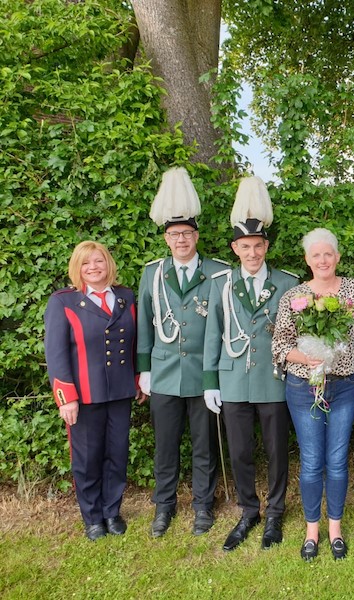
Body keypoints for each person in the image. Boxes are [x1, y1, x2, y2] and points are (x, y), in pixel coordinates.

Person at [202, 176, 298, 552]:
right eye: (245, 247)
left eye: (258, 246)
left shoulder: (288, 283)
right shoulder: (221, 283)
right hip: (234, 380)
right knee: (240, 450)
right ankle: (248, 510)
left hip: (273, 379)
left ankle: (275, 512)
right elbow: (213, 333)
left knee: (276, 449)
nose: (252, 253)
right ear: (235, 247)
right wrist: (211, 381)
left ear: (266, 246)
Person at [137, 167, 229, 538]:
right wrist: (144, 370)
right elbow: (145, 322)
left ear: (196, 236)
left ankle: (204, 506)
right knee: (165, 447)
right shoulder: (152, 273)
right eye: (174, 235)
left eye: (187, 234)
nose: (181, 240)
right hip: (163, 375)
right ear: (166, 238)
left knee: (205, 447)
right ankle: (164, 506)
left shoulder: (219, 273)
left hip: (202, 377)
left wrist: (216, 377)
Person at [272, 228, 354, 561]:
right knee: (312, 461)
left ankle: (335, 529)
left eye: (328, 253)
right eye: (316, 255)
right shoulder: (294, 297)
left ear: (338, 257)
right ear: (307, 260)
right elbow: (281, 345)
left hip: (344, 385)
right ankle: (312, 531)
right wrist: (307, 357)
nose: (323, 260)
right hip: (303, 386)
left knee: (337, 460)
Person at [44, 241, 140, 541]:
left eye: (99, 261)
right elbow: (56, 353)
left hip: (120, 392)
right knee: (87, 460)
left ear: (108, 264)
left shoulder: (125, 297)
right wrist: (66, 398)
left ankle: (112, 512)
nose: (94, 268)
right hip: (84, 396)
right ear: (78, 268)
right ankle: (92, 517)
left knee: (117, 454)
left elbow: (135, 343)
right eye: (86, 263)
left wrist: (137, 380)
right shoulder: (63, 302)